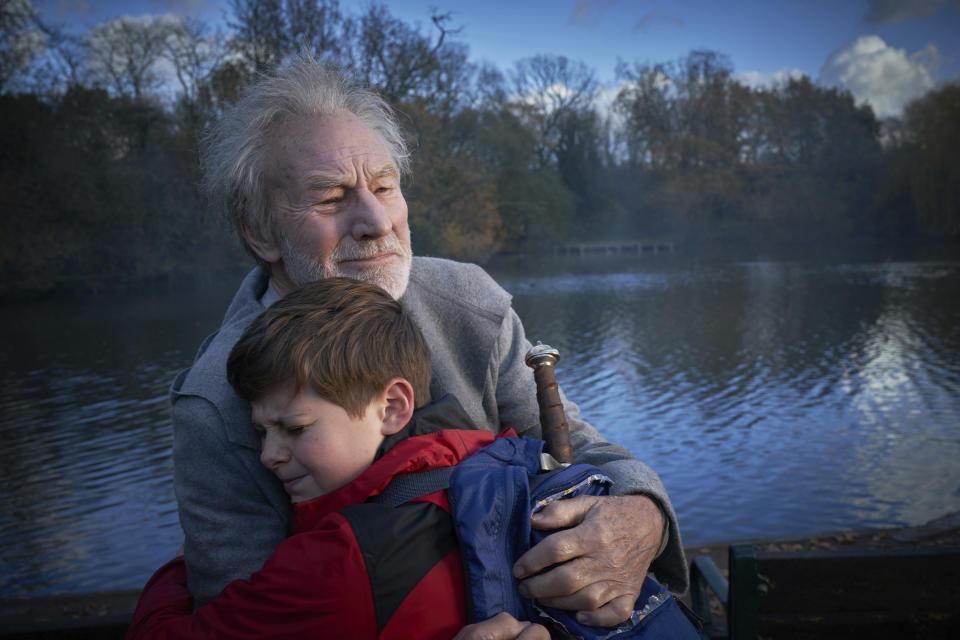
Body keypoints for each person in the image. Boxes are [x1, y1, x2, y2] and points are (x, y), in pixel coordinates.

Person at [171, 52, 688, 623]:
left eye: (385, 186)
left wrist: (644, 515)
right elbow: (245, 623)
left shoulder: (471, 305)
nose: (376, 221)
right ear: (260, 232)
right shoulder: (214, 402)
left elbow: (582, 452)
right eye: (329, 198)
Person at [129, 278, 549, 639]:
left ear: (391, 407)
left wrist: (178, 568)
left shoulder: (337, 562)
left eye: (295, 428)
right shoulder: (494, 459)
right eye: (261, 432)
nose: (268, 456)